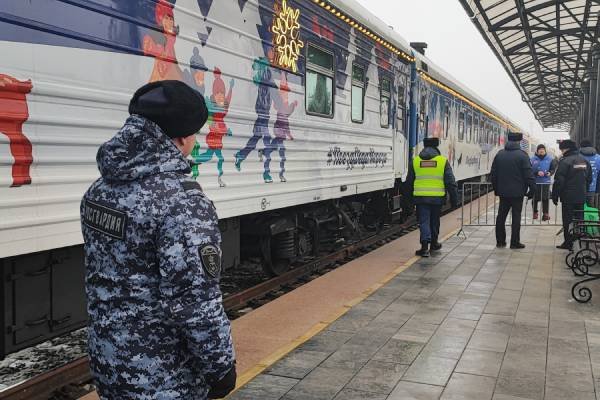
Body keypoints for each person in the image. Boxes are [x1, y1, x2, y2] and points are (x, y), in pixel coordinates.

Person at [80, 80, 236, 399]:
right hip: (164, 376)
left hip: (108, 361)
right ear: (181, 138)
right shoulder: (183, 203)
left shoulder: (99, 191)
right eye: (194, 134)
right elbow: (194, 301)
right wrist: (220, 368)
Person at [406, 137, 458, 257]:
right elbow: (451, 182)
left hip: (421, 198)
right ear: (436, 146)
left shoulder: (415, 161)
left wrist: (408, 200)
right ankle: (434, 243)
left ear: (424, 146)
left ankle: (424, 248)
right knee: (435, 221)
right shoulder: (442, 161)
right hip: (437, 198)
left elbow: (409, 182)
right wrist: (454, 199)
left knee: (424, 221)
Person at [490, 132, 535, 249]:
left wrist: (496, 189)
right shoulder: (523, 155)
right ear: (519, 141)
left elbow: (493, 174)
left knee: (501, 217)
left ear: (508, 140)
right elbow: (528, 175)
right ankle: (514, 243)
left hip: (503, 193)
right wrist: (532, 190)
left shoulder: (500, 154)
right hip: (518, 193)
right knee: (516, 217)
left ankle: (500, 241)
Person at [552, 139, 592, 250]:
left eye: (562, 149)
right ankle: (578, 241)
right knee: (579, 220)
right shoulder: (584, 161)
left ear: (566, 149)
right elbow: (589, 179)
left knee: (568, 220)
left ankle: (568, 243)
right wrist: (584, 190)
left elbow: (559, 181)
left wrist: (555, 195)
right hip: (581, 196)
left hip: (568, 197)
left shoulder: (565, 162)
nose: (561, 152)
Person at [529, 144, 557, 220]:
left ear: (545, 150)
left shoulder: (550, 159)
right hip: (535, 182)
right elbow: (529, 170)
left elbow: (553, 169)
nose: (541, 151)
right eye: (540, 149)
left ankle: (545, 214)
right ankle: (535, 213)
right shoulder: (532, 159)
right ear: (537, 151)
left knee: (545, 198)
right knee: (535, 198)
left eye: (543, 149)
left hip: (545, 182)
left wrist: (550, 173)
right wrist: (536, 173)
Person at [579, 139, 600, 207]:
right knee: (592, 208)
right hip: (593, 189)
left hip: (578, 188)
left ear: (581, 146)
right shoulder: (598, 157)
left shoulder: (577, 157)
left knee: (579, 209)